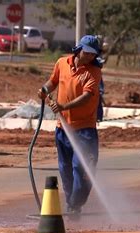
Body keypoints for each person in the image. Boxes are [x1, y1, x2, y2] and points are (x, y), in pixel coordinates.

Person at [38, 35, 102, 216]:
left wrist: (64, 106)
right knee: (65, 168)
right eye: (87, 52)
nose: (89, 57)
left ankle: (76, 204)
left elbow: (87, 96)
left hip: (84, 130)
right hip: (63, 128)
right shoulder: (62, 63)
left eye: (93, 54)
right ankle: (71, 204)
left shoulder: (94, 72)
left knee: (81, 168)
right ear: (78, 49)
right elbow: (53, 81)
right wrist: (44, 90)